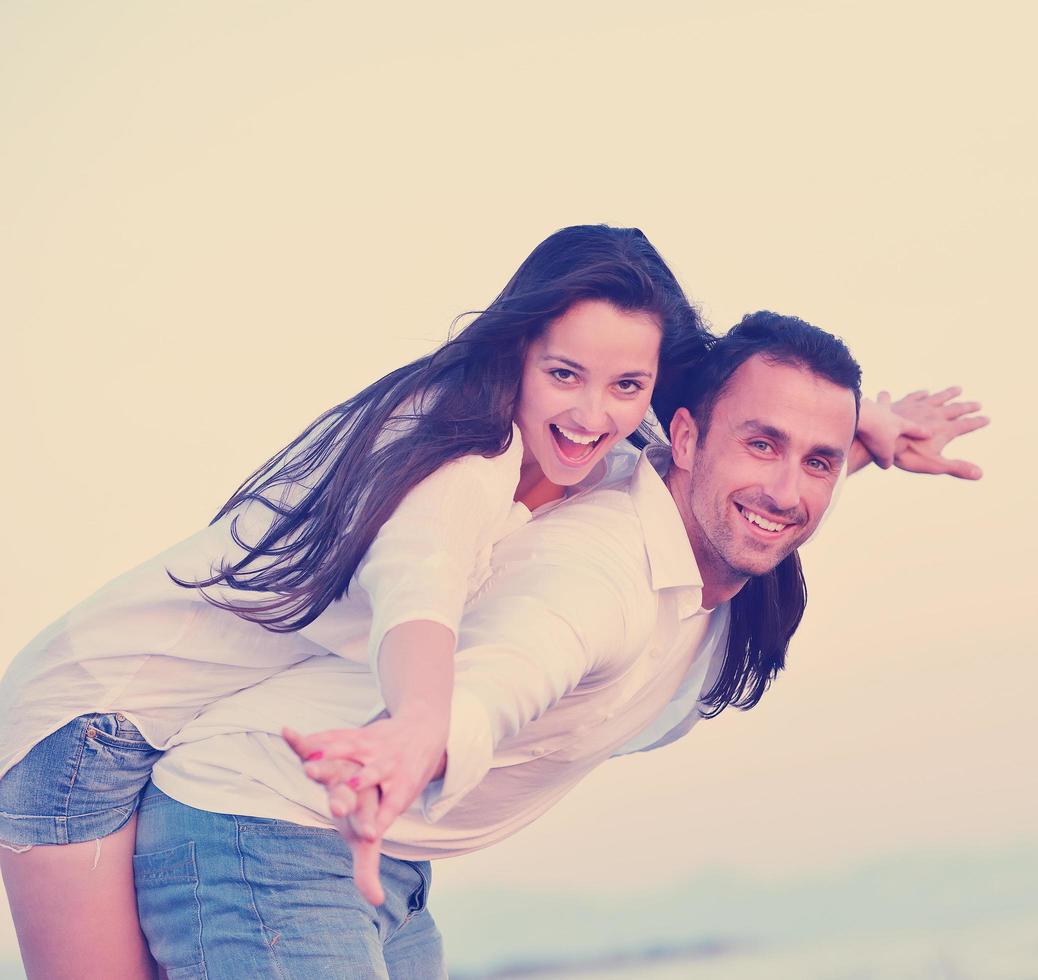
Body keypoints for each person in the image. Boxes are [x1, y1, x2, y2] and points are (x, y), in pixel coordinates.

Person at [130, 312, 987, 977]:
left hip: (378, 855)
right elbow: (511, 671)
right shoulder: (600, 576)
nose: (786, 486)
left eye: (820, 463)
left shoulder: (711, 537)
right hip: (268, 819)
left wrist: (873, 432)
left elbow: (764, 499)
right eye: (761, 444)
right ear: (683, 439)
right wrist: (416, 737)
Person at [0, 223, 719, 980]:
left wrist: (855, 438)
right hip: (93, 719)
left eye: (626, 387)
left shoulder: (600, 454)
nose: (593, 414)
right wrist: (417, 724)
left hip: (201, 735)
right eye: (565, 375)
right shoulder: (456, 457)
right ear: (516, 355)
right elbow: (421, 587)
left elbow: (742, 457)